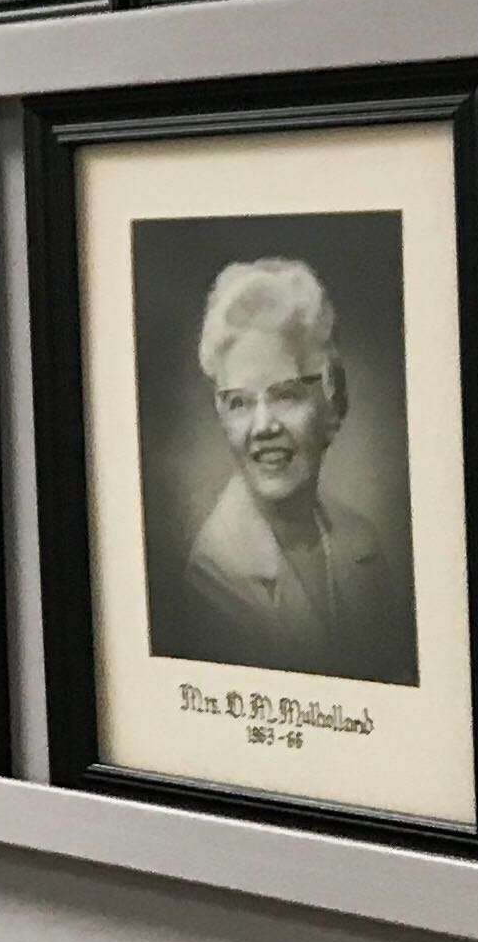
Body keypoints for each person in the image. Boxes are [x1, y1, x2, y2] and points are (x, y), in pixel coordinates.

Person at [156, 258, 414, 683]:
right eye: (239, 402)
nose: (262, 428)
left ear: (329, 402)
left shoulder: (362, 540)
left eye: (285, 395)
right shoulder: (212, 575)